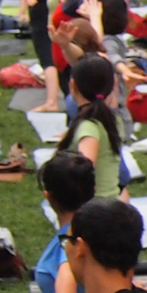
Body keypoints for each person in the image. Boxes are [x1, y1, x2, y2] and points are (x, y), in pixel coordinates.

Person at [36, 152, 93, 293]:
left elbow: (67, 270)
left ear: (48, 196)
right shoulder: (93, 230)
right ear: (93, 191)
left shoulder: (70, 239)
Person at [56, 56, 124, 203]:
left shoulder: (89, 125)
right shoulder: (112, 119)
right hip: (111, 201)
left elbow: (84, 167)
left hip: (93, 209)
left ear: (73, 85)